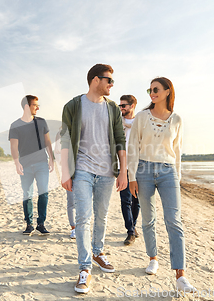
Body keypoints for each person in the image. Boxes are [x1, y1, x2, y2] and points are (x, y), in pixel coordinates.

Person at [60, 64, 127, 294]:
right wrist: (65, 172)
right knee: (83, 218)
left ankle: (98, 251)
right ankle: (85, 267)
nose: (111, 85)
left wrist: (124, 172)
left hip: (108, 171)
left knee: (102, 216)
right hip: (82, 169)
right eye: (109, 80)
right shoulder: (73, 106)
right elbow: (66, 140)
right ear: (95, 80)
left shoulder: (113, 109)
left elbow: (120, 140)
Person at [127, 77, 196, 293]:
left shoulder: (176, 119)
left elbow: (178, 151)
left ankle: (180, 275)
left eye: (156, 89)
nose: (151, 93)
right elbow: (132, 147)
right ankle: (153, 258)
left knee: (174, 221)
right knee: (148, 219)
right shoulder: (141, 117)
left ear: (167, 91)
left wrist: (177, 176)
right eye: (150, 90)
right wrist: (131, 177)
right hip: (144, 171)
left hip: (168, 172)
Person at [9, 95, 54, 236]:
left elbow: (47, 142)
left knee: (43, 193)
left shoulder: (41, 122)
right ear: (27, 107)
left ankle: (41, 224)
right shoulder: (15, 125)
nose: (38, 107)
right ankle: (29, 224)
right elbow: (14, 146)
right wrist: (16, 163)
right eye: (35, 105)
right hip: (25, 165)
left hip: (42, 163)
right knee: (27, 194)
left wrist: (51, 159)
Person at [118, 95, 140, 246]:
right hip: (122, 165)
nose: (121, 108)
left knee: (136, 200)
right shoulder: (117, 122)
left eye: (124, 105)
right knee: (125, 200)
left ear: (132, 106)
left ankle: (134, 225)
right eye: (120, 105)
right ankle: (130, 231)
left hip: (138, 166)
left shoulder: (141, 122)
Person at [53, 127, 76, 239]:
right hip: (68, 170)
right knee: (71, 201)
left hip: (84, 168)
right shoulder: (61, 133)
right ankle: (74, 228)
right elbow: (57, 152)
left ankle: (82, 227)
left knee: (84, 201)